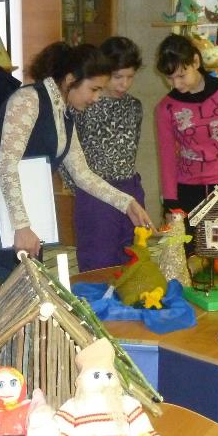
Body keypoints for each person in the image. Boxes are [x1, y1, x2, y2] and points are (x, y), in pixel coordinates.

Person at [0, 42, 153, 322]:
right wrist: (22, 226)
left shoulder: (65, 114)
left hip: (21, 226)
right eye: (94, 89)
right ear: (70, 80)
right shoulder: (28, 100)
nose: (96, 98)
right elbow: (6, 166)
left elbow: (82, 174)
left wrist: (126, 202)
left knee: (28, 310)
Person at [154, 33, 218, 225]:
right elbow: (167, 158)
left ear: (195, 61)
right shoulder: (165, 108)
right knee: (187, 245)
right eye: (170, 78)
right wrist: (170, 204)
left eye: (181, 75)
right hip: (187, 193)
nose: (176, 84)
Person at [65, 36, 145, 272]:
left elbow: (131, 150)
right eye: (118, 77)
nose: (124, 84)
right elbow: (65, 156)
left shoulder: (134, 106)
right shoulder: (82, 105)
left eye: (130, 77)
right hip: (95, 193)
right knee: (97, 262)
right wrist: (81, 190)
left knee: (134, 259)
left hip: (130, 188)